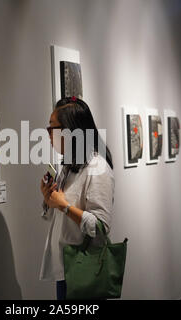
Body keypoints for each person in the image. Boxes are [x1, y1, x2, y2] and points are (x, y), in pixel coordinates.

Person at [39, 97, 115, 300]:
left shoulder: (97, 169)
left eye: (51, 128)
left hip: (86, 270)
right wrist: (49, 199)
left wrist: (64, 206)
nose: (47, 134)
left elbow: (100, 227)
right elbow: (56, 214)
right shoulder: (68, 166)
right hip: (65, 268)